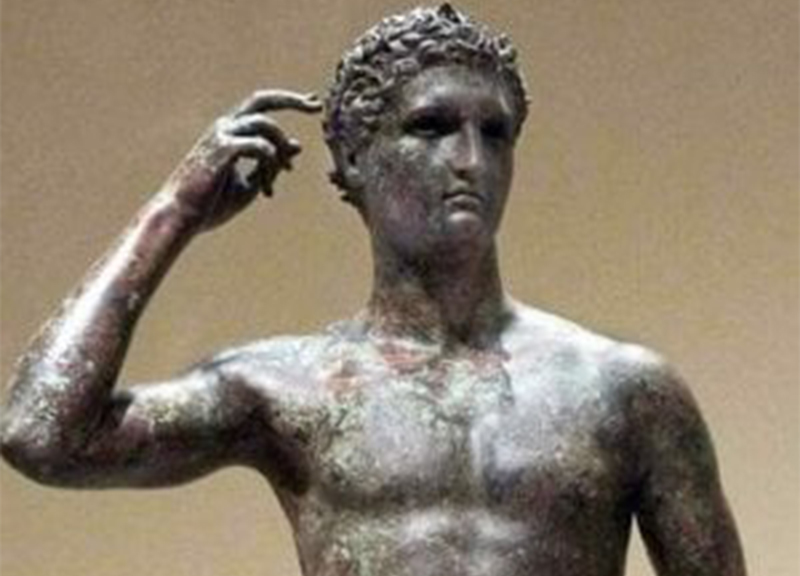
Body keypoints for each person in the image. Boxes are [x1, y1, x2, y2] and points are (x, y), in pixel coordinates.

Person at [0, 5, 746, 576]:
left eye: (494, 133)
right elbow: (41, 435)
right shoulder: (289, 391)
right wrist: (173, 213)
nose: (470, 159)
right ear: (356, 159)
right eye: (432, 127)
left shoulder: (622, 391)